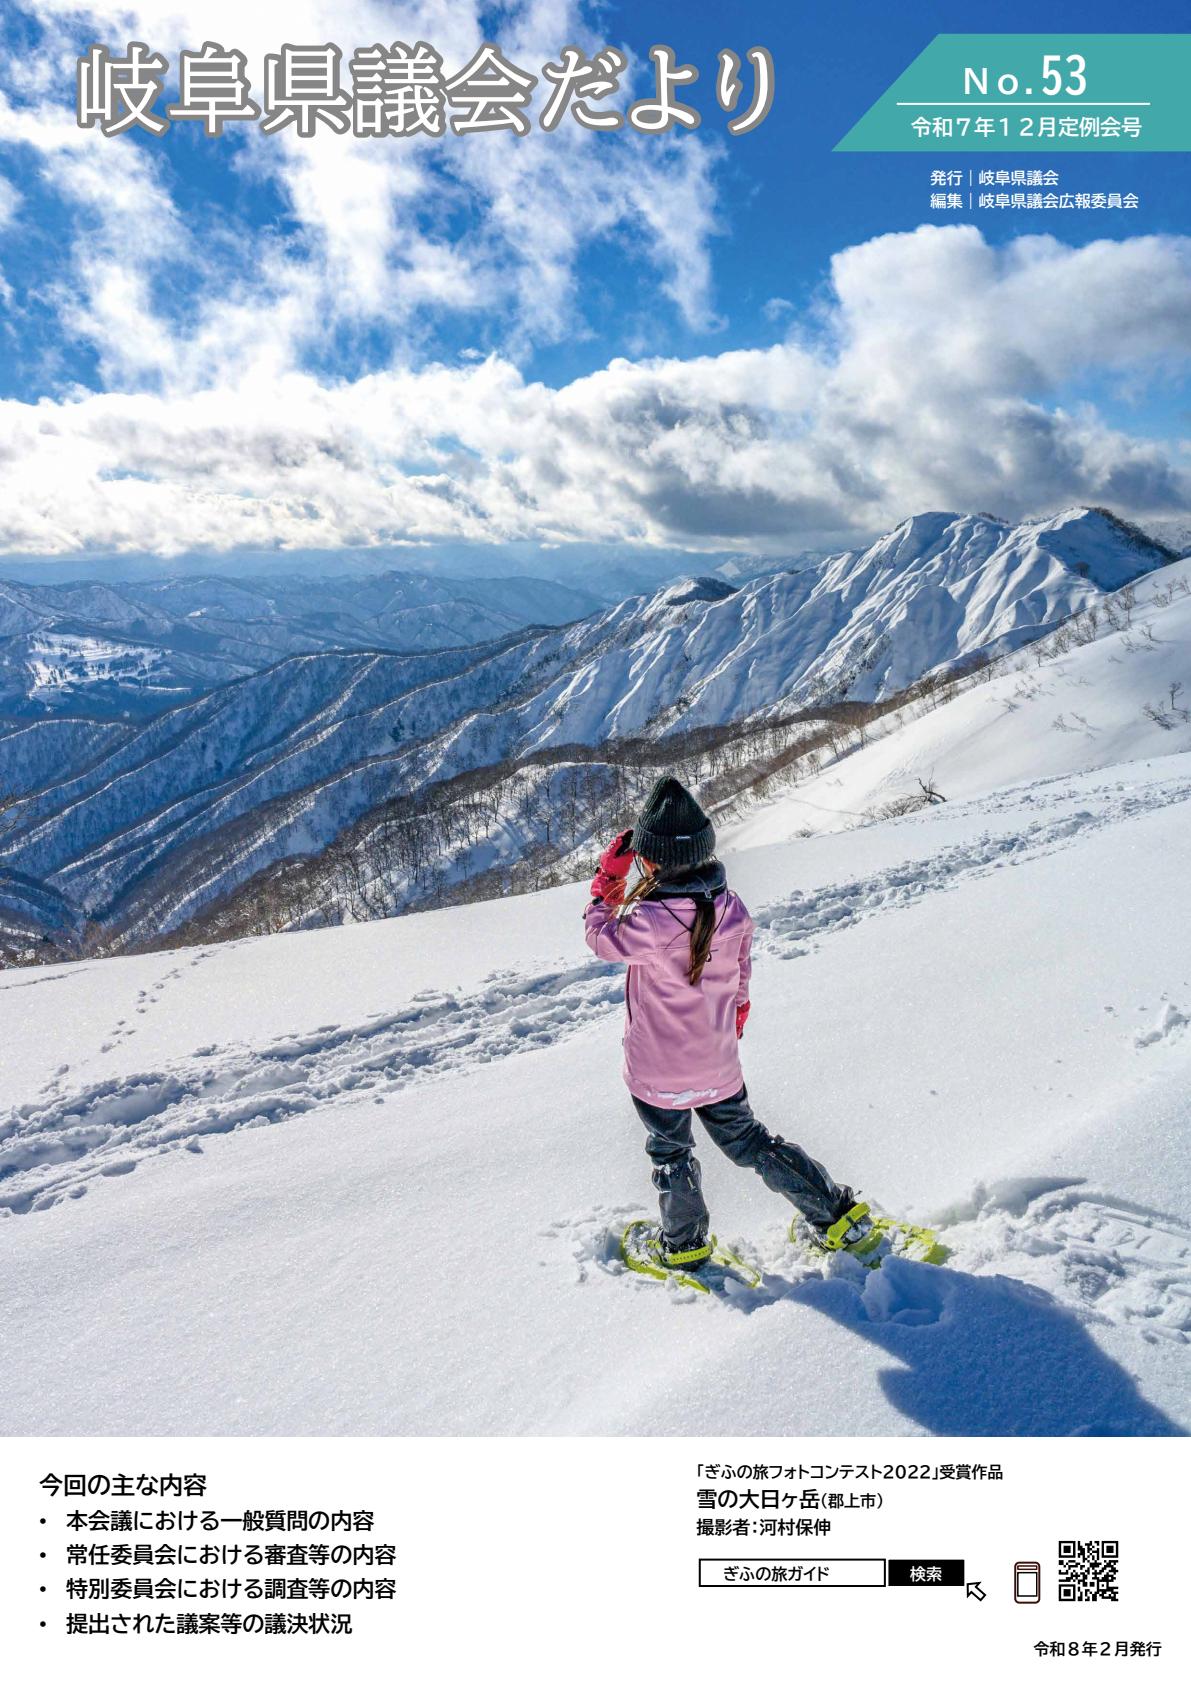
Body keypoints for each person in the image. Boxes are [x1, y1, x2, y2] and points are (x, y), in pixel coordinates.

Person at [583, 774, 871, 1273]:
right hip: (717, 1063)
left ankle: (685, 1245)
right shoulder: (731, 908)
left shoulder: (649, 920)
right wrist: (730, 1022)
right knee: (753, 1144)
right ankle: (838, 1217)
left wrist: (606, 882)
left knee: (671, 1153)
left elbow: (601, 938)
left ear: (647, 862)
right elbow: (740, 980)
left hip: (657, 1072)